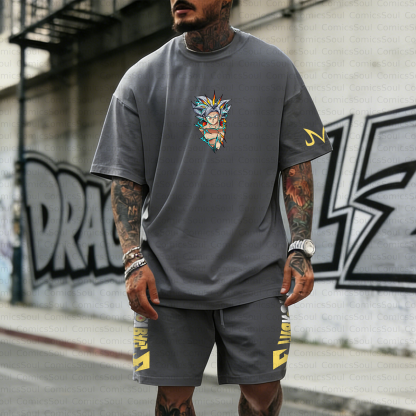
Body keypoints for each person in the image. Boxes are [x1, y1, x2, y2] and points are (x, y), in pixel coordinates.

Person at [90, 0, 333, 415]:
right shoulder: (140, 79)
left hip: (256, 275)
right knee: (173, 400)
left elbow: (297, 166)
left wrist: (300, 248)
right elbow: (126, 182)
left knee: (262, 395)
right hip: (168, 278)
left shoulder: (275, 69)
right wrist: (133, 260)